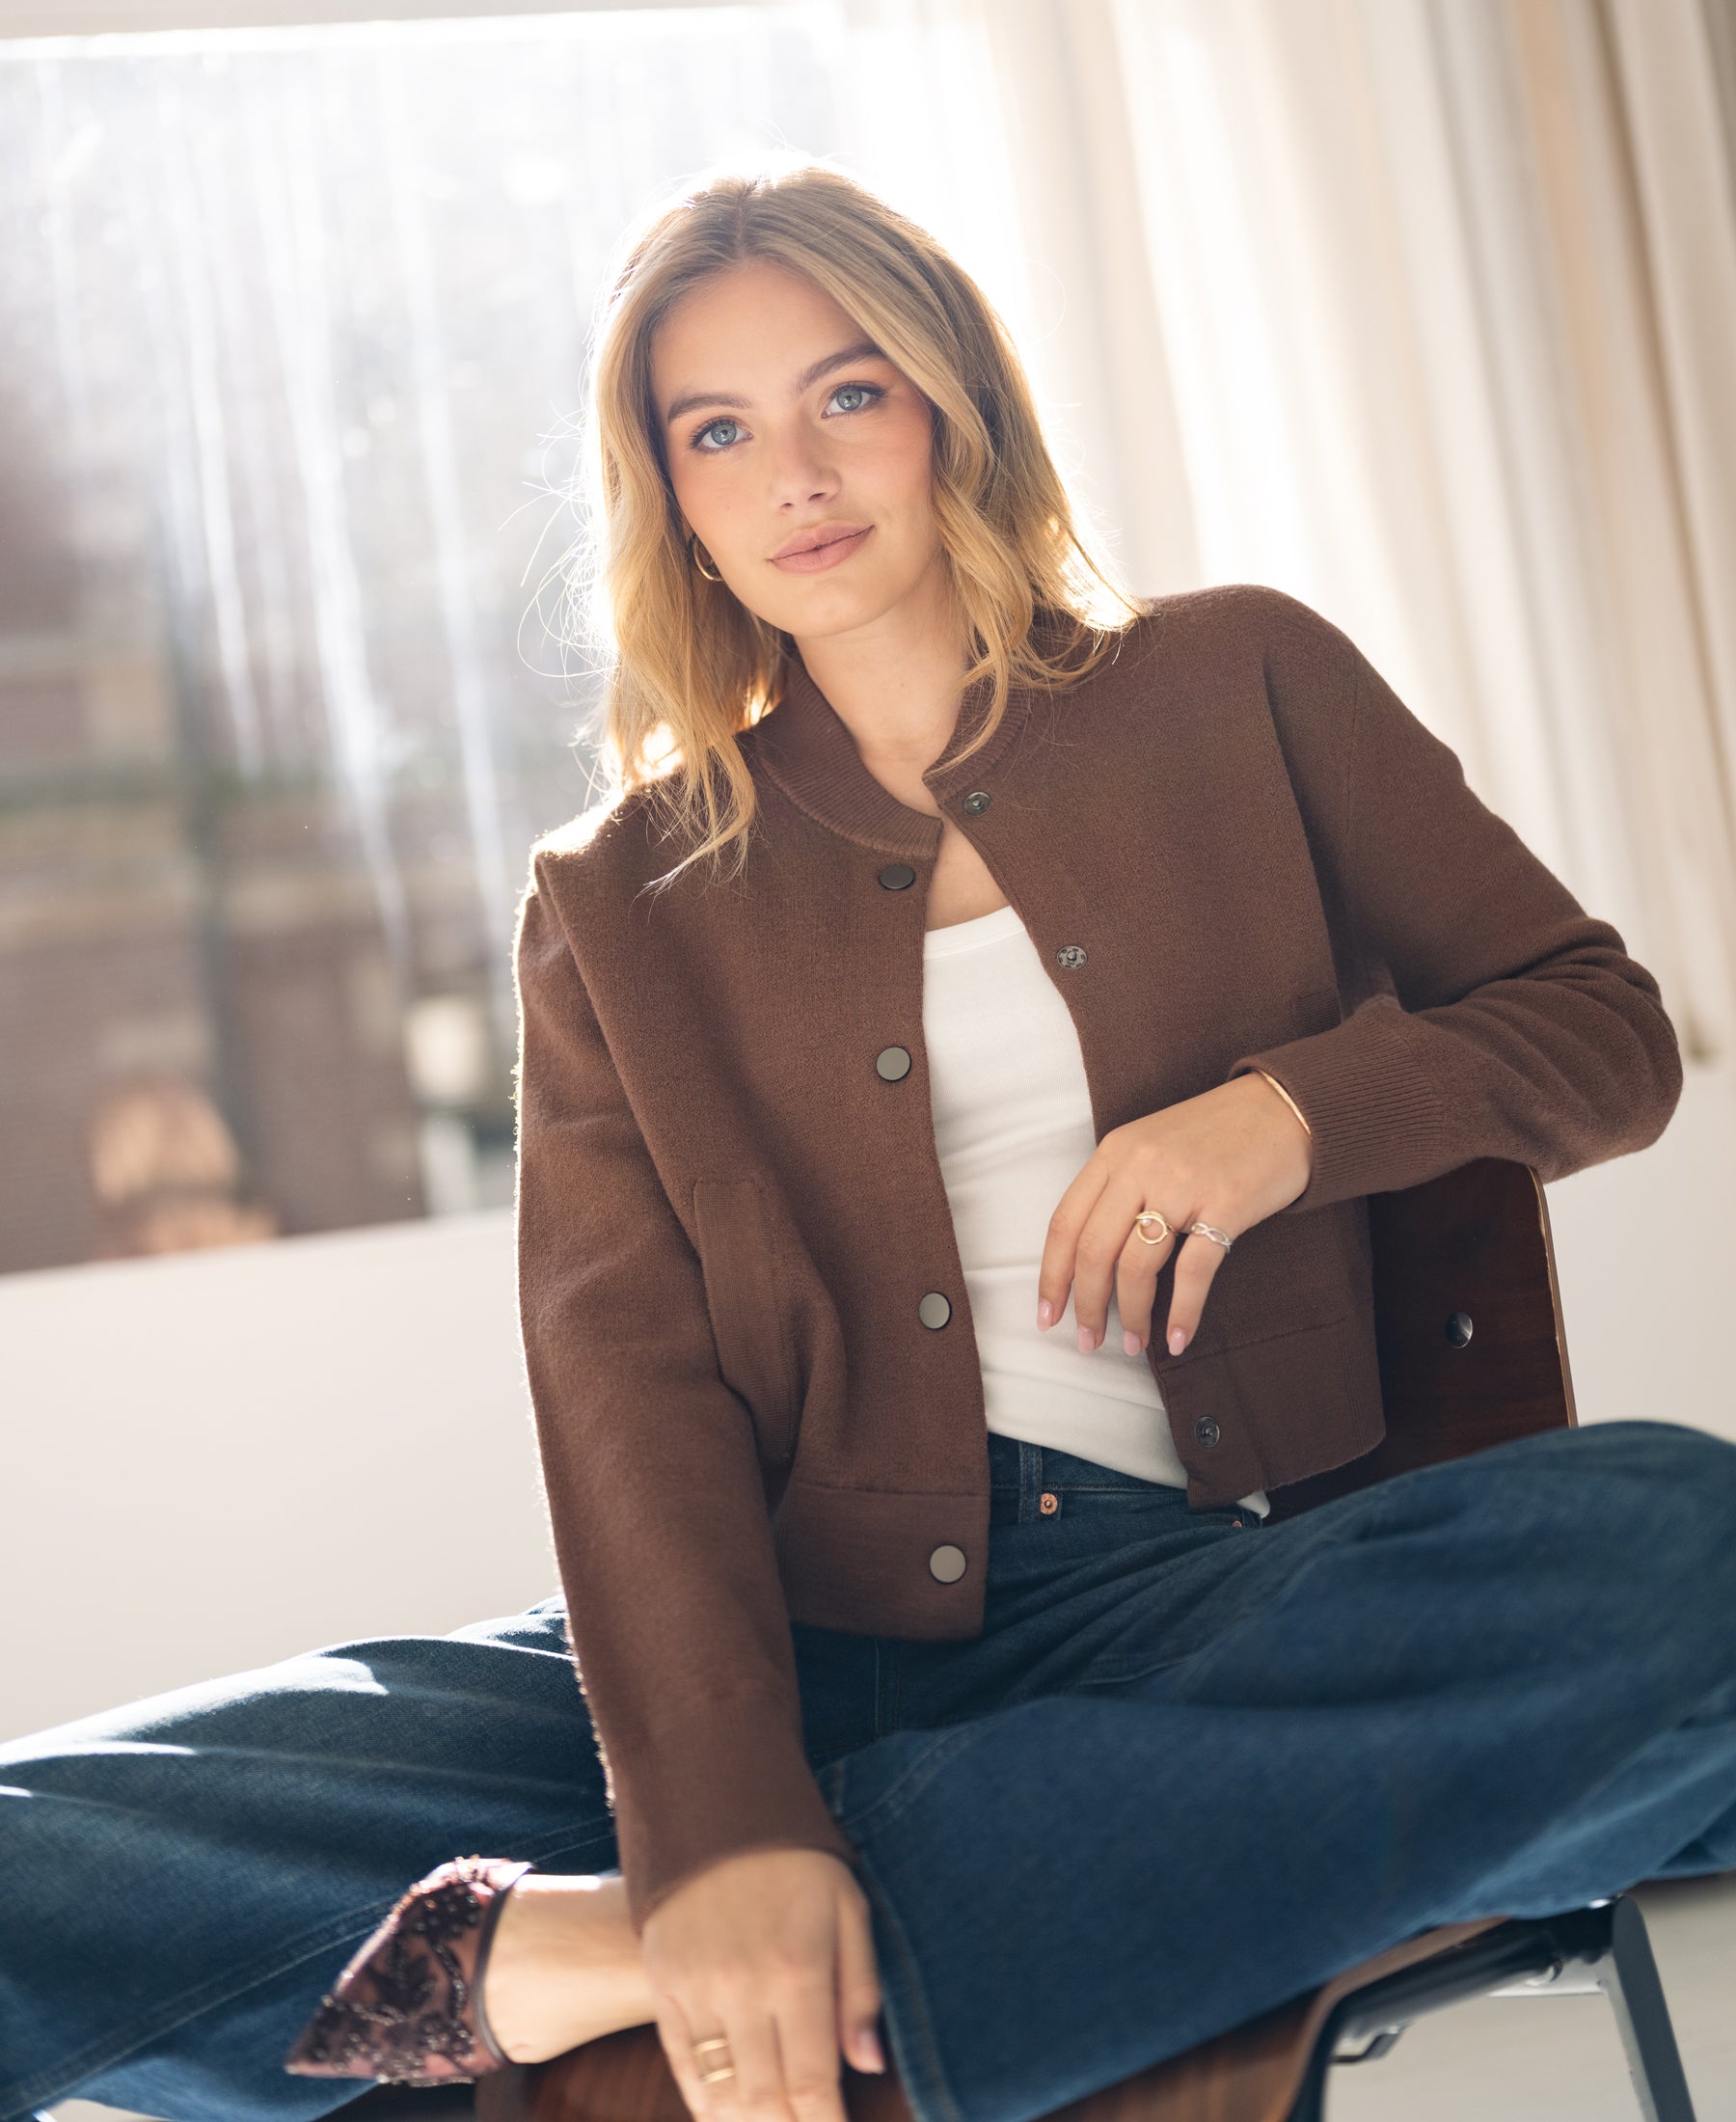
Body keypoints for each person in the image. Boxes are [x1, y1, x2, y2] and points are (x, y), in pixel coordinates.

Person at [4, 157, 1733, 2122]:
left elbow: (1601, 1033)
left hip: (1209, 1611)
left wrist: (1283, 1118)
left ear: (949, 408)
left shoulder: (1240, 680)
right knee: (39, 1844)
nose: (797, 475)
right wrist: (725, 1816)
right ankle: (763, 1910)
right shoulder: (619, 894)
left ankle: (577, 1962)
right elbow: (626, 1393)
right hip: (785, 1640)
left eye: (848, 394)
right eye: (719, 430)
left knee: (1689, 1556)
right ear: (672, 495)